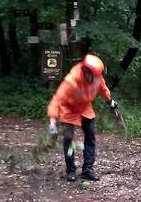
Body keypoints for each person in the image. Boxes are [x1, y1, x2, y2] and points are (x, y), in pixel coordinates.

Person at [47, 54, 118, 182]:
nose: (97, 78)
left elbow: (103, 89)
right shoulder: (71, 81)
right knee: (68, 139)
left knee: (90, 136)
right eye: (95, 76)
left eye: (98, 75)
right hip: (69, 109)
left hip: (85, 108)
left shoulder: (97, 78)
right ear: (86, 72)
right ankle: (71, 170)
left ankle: (87, 169)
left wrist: (110, 101)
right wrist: (52, 121)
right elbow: (57, 100)